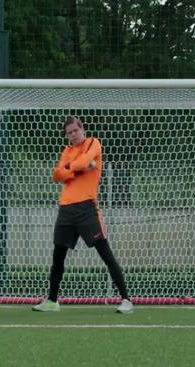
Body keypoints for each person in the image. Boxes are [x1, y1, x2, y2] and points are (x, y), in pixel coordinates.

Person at [33, 116, 133, 314]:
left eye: (75, 131)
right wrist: (76, 168)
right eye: (69, 133)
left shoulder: (93, 143)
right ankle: (52, 300)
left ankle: (126, 299)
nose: (72, 135)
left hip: (87, 208)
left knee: (105, 253)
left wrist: (71, 168)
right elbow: (56, 175)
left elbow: (84, 162)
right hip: (66, 209)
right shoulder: (66, 151)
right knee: (58, 257)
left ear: (82, 129)